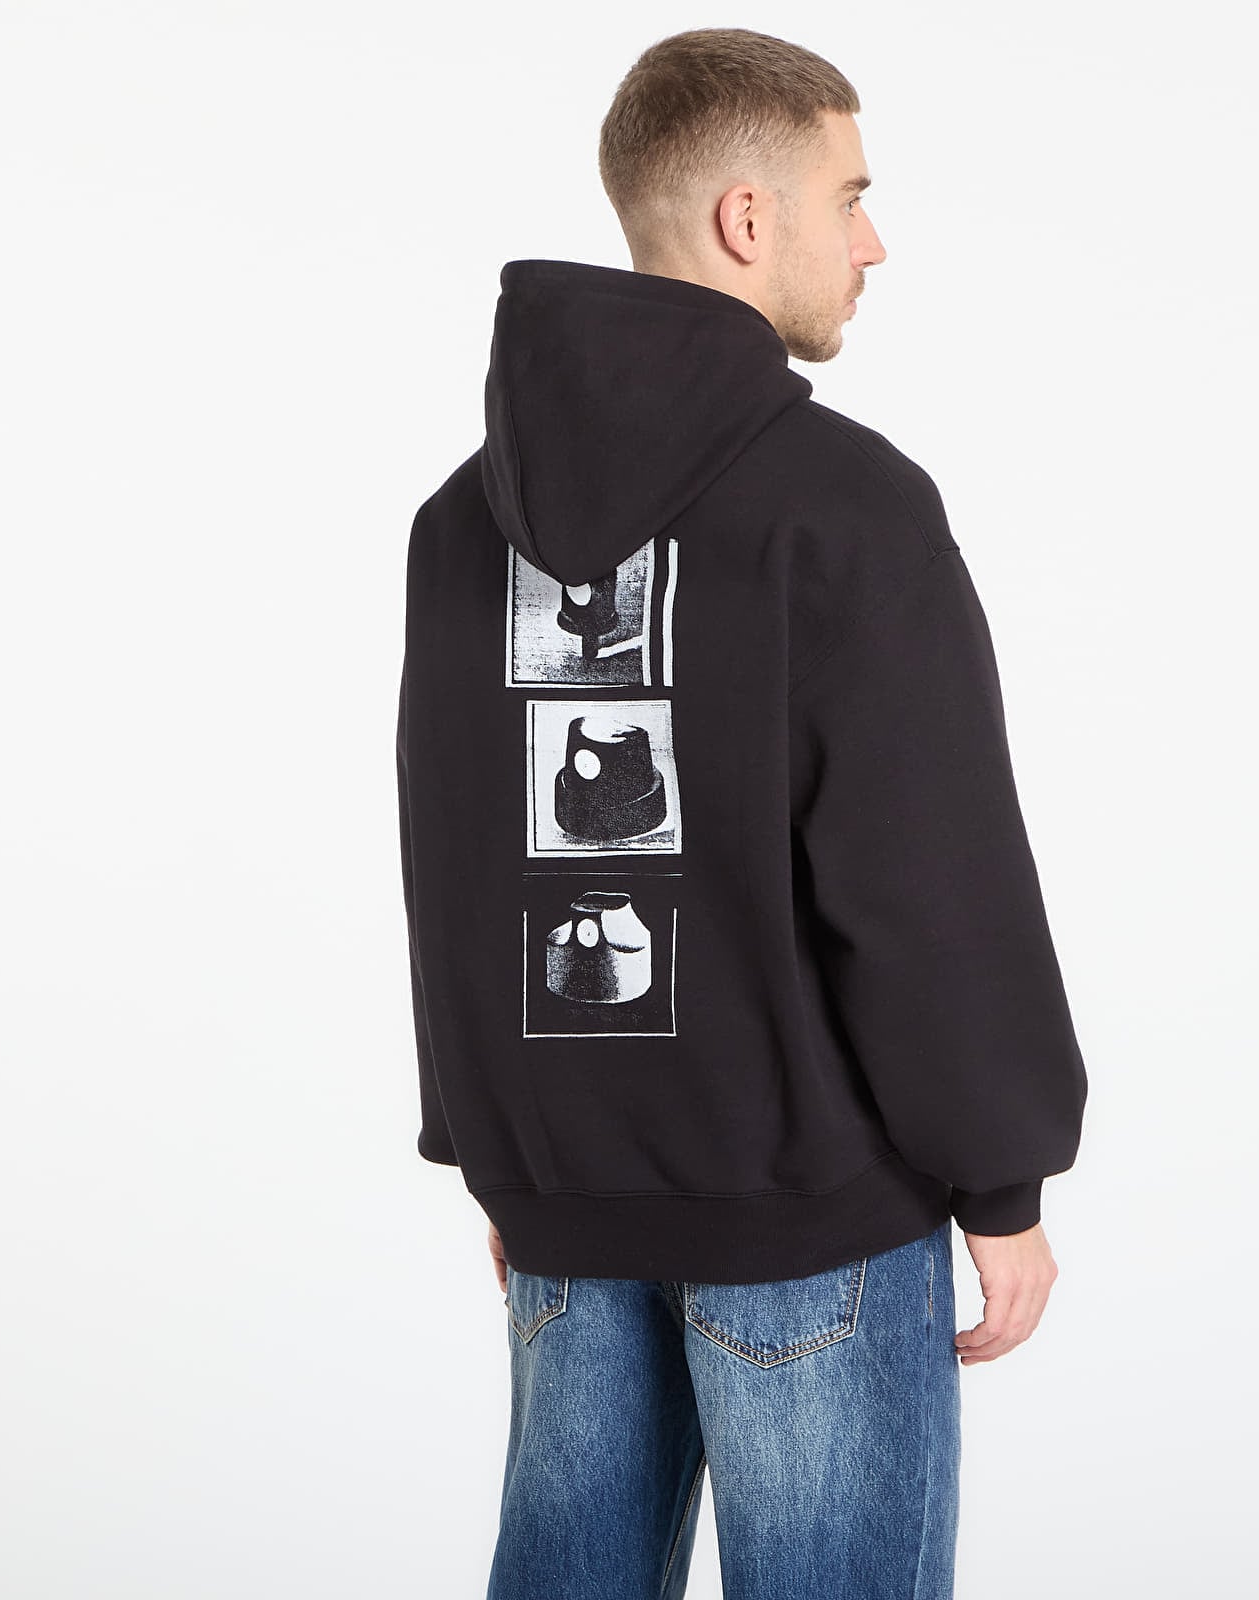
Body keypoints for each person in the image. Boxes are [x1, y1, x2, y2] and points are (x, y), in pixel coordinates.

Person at [395, 26, 1089, 1599]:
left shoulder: (458, 523)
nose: (874, 242)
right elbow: (926, 881)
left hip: (565, 1206)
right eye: (851, 197)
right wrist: (1003, 1178)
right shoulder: (845, 505)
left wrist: (507, 1156)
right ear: (746, 218)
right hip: (810, 1220)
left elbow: (456, 859)